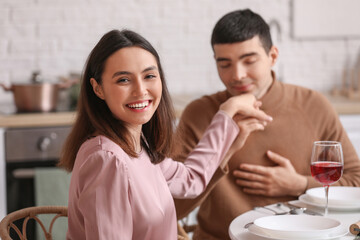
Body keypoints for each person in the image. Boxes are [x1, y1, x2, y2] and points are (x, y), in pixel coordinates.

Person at [58, 29, 272, 240]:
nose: (140, 90)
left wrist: (227, 113)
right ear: (98, 89)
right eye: (124, 80)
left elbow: (191, 179)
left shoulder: (138, 146)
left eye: (149, 76)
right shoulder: (107, 160)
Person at [172, 9, 360, 240]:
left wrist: (300, 185)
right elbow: (171, 208)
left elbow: (356, 182)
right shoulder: (199, 114)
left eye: (249, 61)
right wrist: (222, 147)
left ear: (273, 56)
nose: (237, 75)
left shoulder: (314, 105)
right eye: (225, 64)